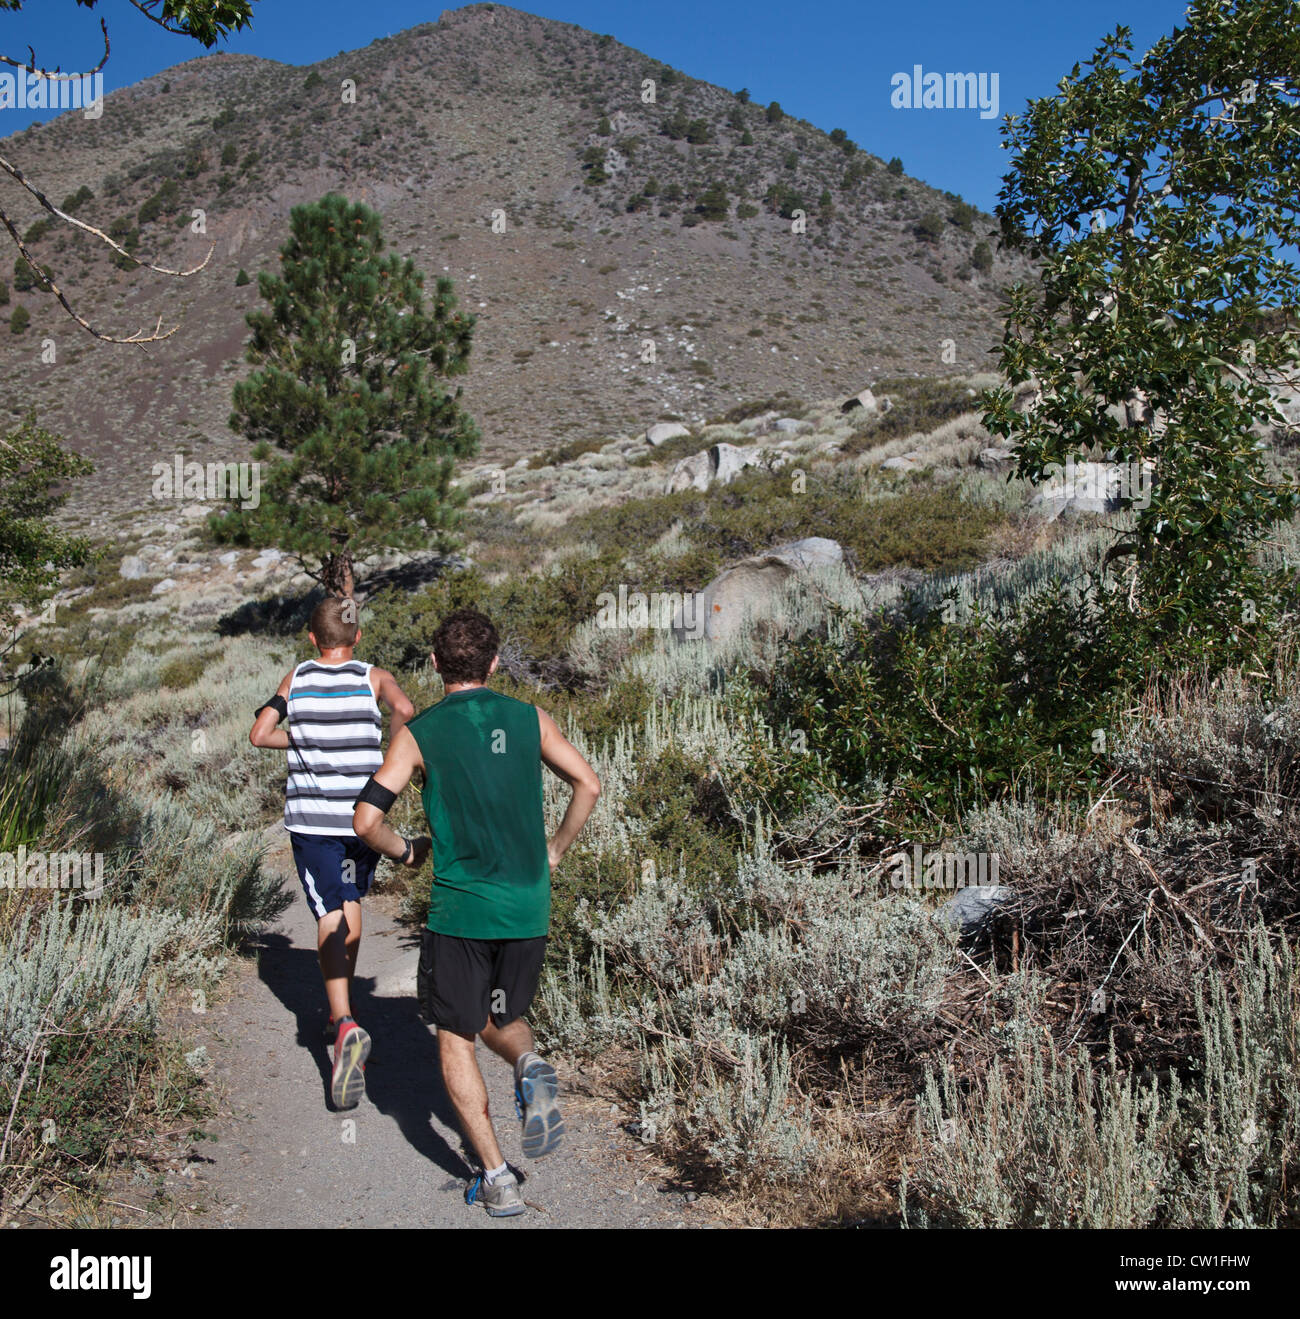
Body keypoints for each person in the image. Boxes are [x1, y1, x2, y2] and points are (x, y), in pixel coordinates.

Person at [353, 608, 601, 1217]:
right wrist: (555, 852)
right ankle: (528, 1062)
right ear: (494, 664)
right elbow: (588, 785)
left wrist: (407, 852)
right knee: (500, 1012)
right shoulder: (529, 719)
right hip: (527, 905)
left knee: (455, 1033)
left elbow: (365, 820)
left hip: (462, 911)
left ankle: (496, 1177)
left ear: (434, 664)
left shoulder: (419, 734)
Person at [250, 596, 426, 1111]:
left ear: (311, 638)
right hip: (362, 818)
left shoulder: (297, 677)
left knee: (328, 912)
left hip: (313, 825)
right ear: (358, 638)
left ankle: (343, 1022)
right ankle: (342, 1008)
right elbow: (407, 709)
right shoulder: (374, 676)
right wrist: (392, 752)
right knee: (350, 902)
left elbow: (260, 734)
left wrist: (303, 740)